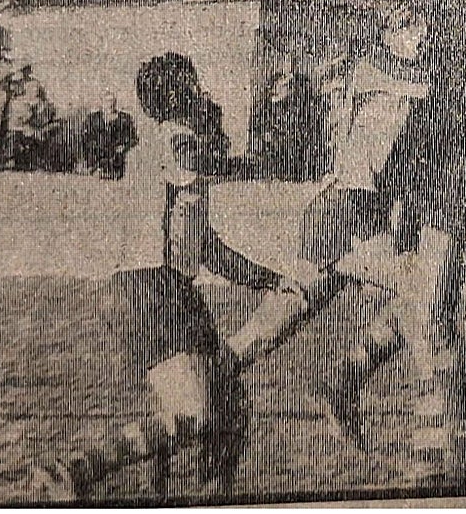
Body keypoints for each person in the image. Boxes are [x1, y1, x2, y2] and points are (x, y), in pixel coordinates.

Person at [32, 53, 293, 501]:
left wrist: (262, 277)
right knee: (192, 414)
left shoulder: (148, 147)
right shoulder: (178, 140)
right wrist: (253, 154)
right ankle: (78, 470)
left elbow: (202, 243)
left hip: (152, 286)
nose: (202, 94)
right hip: (155, 288)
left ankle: (183, 496)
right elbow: (210, 174)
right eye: (193, 86)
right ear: (178, 95)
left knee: (225, 405)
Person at [223, 5, 457, 472]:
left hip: (347, 216)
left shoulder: (385, 74)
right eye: (415, 25)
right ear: (391, 29)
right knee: (422, 302)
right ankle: (436, 446)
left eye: (426, 25)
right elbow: (396, 118)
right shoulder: (384, 75)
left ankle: (228, 377)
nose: (425, 34)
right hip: (342, 218)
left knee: (278, 322)